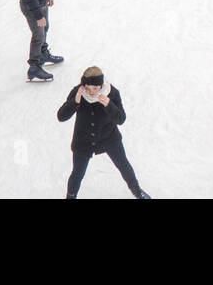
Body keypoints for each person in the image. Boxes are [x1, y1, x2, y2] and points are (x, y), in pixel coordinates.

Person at [57, 67, 150, 199]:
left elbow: (121, 119)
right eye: (88, 88)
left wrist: (109, 104)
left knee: (123, 165)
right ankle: (70, 196)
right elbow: (61, 116)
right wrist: (75, 101)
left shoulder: (112, 93)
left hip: (109, 137)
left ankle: (137, 191)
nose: (91, 93)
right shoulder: (78, 92)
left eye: (95, 88)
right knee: (77, 173)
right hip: (83, 140)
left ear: (101, 85)